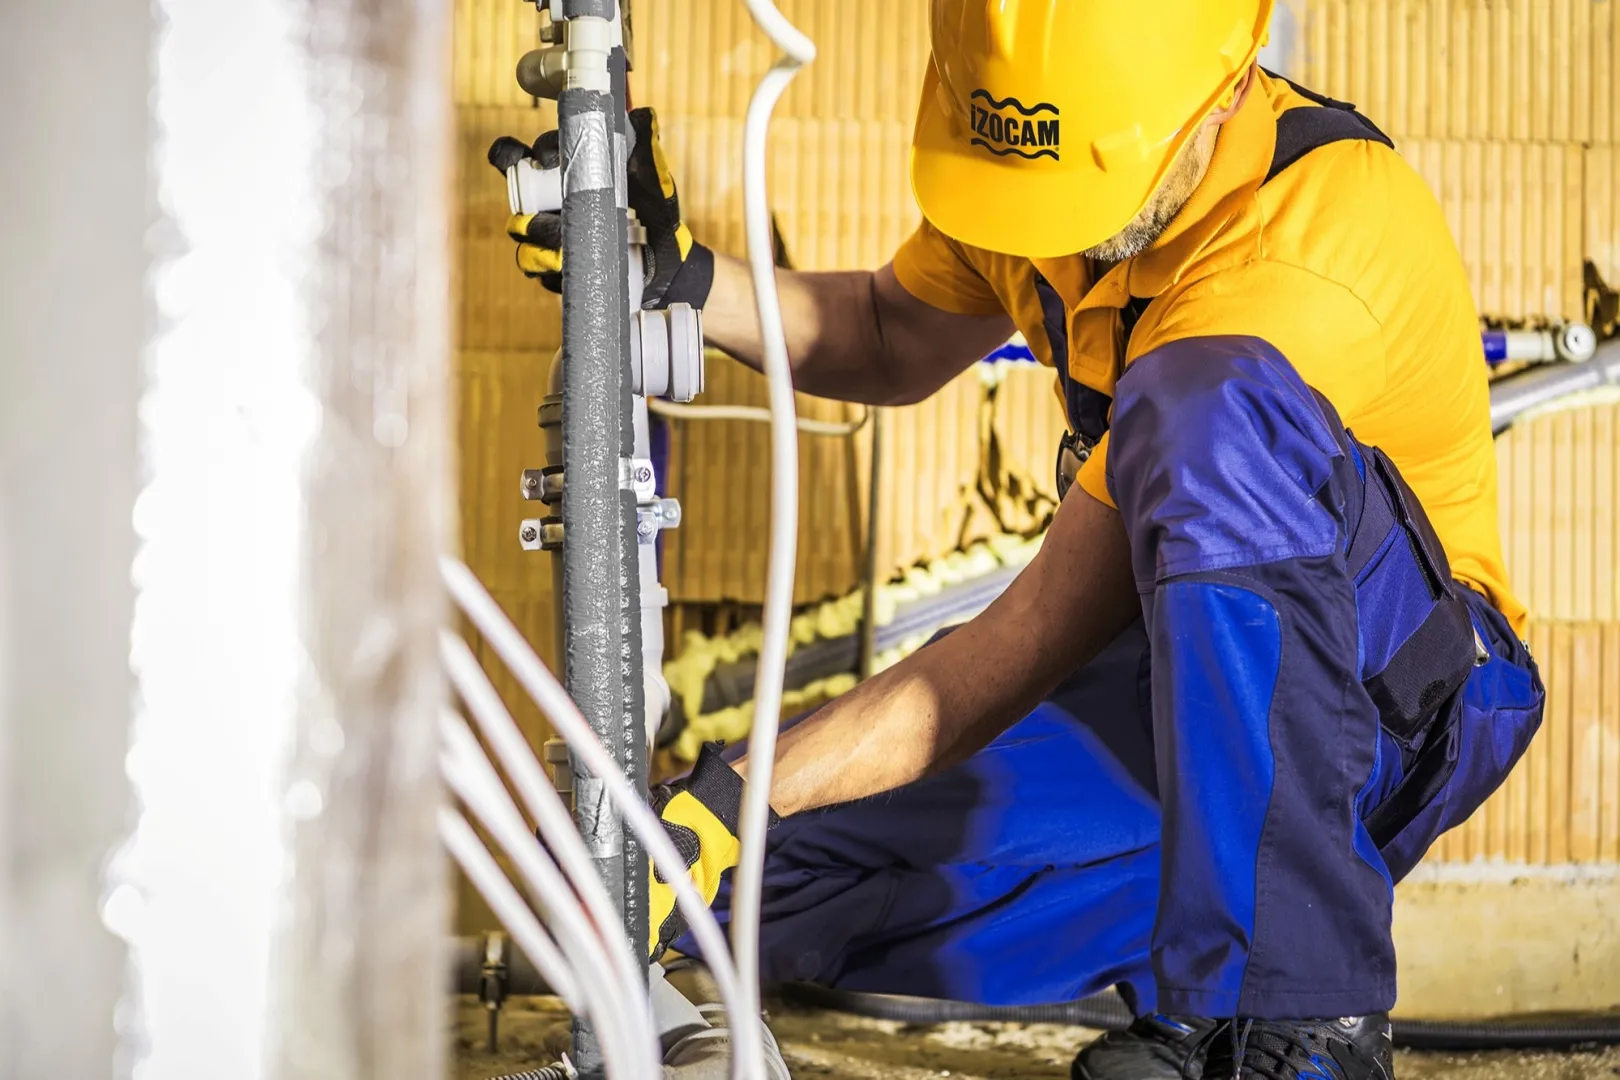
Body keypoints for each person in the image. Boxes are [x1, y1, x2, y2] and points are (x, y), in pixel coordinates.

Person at [490, 2, 1545, 1077]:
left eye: (1084, 192)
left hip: (1395, 699)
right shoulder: (1040, 164)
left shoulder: (1300, 250)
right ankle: (1197, 995)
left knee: (1205, 409)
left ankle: (1298, 1018)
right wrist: (685, 281)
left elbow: (1029, 634)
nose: (1056, 231)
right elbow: (889, 331)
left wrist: (734, 792)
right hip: (1167, 689)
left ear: (1225, 89)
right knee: (702, 869)